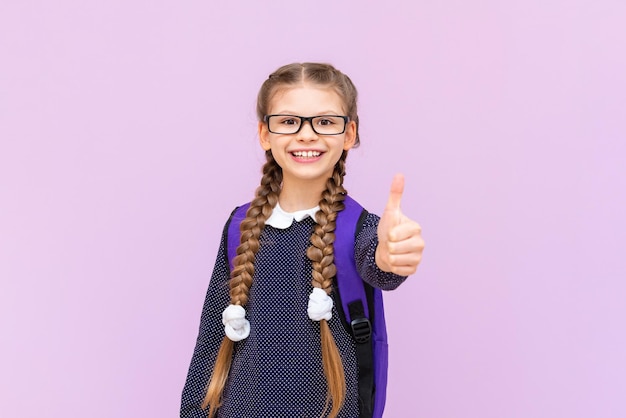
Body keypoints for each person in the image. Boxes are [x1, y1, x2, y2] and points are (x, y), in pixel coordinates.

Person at [180, 62, 425, 418]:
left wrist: (392, 258)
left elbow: (380, 266)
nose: (306, 135)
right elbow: (210, 343)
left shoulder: (360, 228)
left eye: (325, 122)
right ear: (265, 134)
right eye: (288, 121)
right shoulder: (239, 225)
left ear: (349, 133)